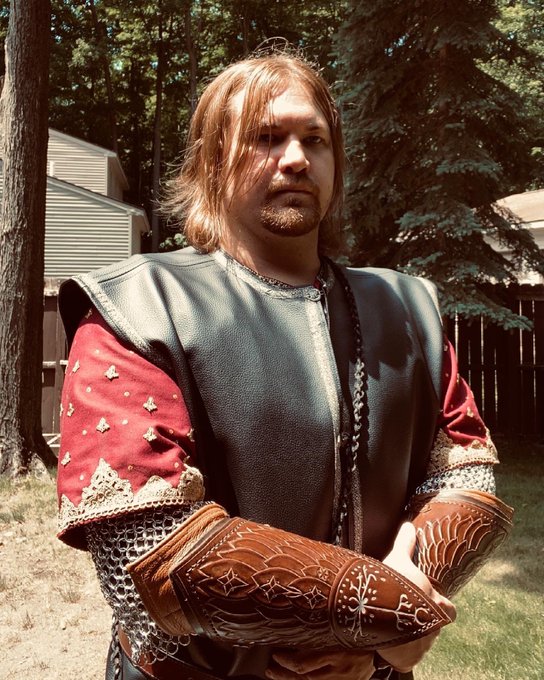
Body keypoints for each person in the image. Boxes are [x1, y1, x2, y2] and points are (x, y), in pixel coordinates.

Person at [56, 51, 511, 680]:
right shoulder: (137, 310)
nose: (295, 158)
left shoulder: (407, 310)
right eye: (266, 137)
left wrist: (386, 630)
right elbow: (149, 548)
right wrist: (385, 619)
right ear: (213, 160)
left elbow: (466, 477)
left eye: (314, 139)